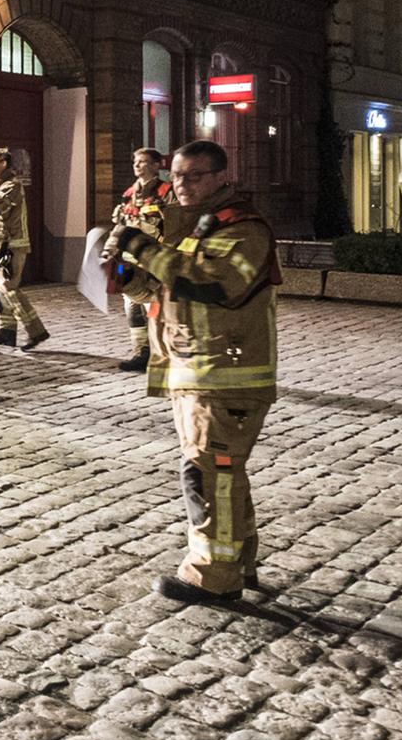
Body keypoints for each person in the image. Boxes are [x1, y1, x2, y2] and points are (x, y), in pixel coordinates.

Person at [108, 139, 280, 603]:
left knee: (208, 475)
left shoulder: (245, 229)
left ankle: (212, 577)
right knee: (223, 472)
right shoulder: (197, 229)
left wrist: (141, 244)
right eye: (178, 175)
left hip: (226, 376)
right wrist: (124, 269)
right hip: (200, 373)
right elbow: (160, 289)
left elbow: (213, 283)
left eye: (195, 176)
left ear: (223, 177)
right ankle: (238, 565)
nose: (181, 184)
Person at [0, 147, 50, 350]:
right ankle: (7, 333)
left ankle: (36, 330)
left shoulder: (12, 186)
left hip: (12, 245)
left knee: (8, 288)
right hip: (0, 245)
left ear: (5, 164)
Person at [113, 147, 171, 372]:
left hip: (152, 259)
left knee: (154, 308)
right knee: (130, 306)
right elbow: (120, 225)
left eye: (143, 162)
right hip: (128, 260)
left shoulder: (166, 192)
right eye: (135, 161)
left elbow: (174, 227)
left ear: (156, 166)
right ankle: (141, 353)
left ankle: (161, 353)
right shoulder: (129, 194)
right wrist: (112, 252)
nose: (137, 165)